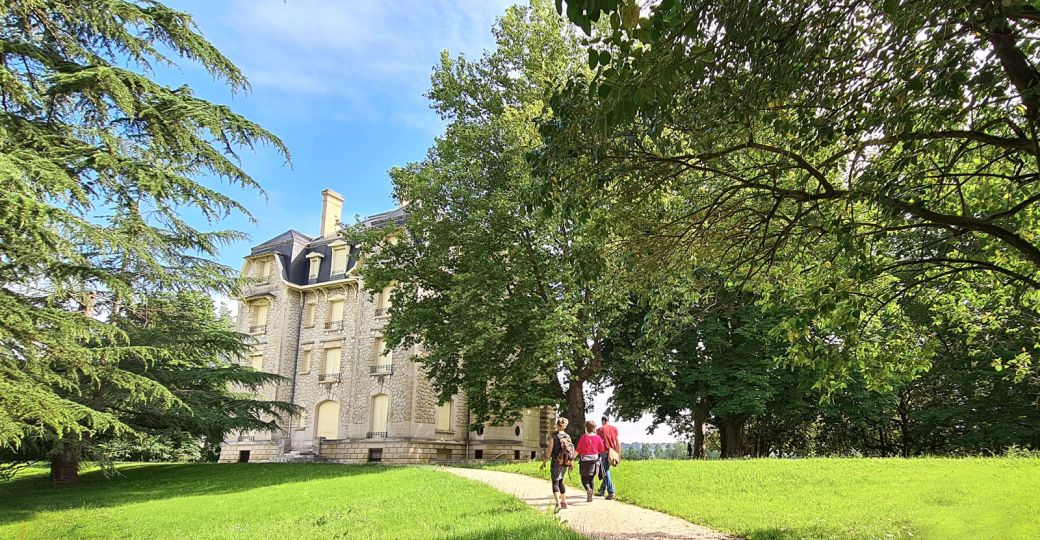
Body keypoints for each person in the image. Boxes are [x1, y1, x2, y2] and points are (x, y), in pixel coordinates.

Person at [540, 417, 573, 510]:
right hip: (565, 462)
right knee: (561, 481)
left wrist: (544, 462)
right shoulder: (568, 436)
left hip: (556, 461)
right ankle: (564, 502)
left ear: (557, 425)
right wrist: (570, 462)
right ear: (565, 426)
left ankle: (558, 504)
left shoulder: (553, 436)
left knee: (555, 482)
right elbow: (570, 451)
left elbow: (549, 451)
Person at [575, 419, 606, 502]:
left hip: (584, 461)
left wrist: (571, 458)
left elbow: (578, 450)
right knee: (591, 478)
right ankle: (590, 495)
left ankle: (588, 489)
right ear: (594, 428)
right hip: (595, 461)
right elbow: (601, 450)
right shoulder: (598, 437)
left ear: (586, 427)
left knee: (584, 478)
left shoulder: (583, 437)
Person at [596, 415, 621, 499]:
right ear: (608, 420)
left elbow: (598, 442)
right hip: (612, 452)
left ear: (602, 421)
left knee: (605, 471)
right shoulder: (614, 428)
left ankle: (611, 491)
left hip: (604, 451)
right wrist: (618, 453)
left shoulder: (600, 430)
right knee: (606, 470)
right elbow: (618, 441)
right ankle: (602, 490)